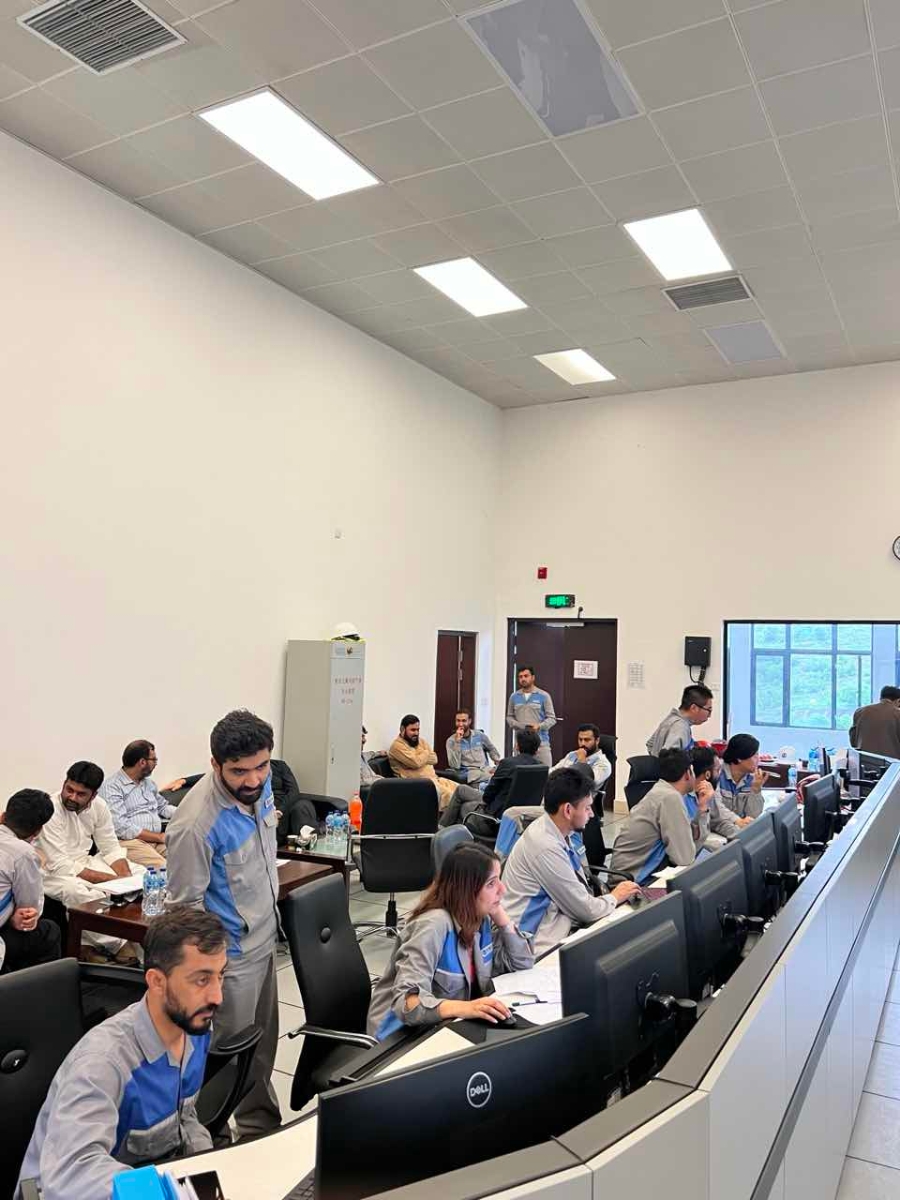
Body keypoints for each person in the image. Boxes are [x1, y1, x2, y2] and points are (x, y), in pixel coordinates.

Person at [17, 907, 225, 1200]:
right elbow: (71, 1175)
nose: (217, 996)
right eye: (201, 980)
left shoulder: (195, 1027)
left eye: (220, 976)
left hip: (149, 1175)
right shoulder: (103, 1065)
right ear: (157, 982)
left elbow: (184, 1117)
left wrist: (209, 1169)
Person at [166, 709, 282, 1139]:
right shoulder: (195, 825)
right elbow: (185, 911)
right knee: (226, 1061)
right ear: (215, 764)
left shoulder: (261, 783)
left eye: (261, 766)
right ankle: (210, 1140)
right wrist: (208, 975)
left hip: (266, 940)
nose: (253, 780)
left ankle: (260, 1130)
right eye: (239, 771)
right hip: (230, 960)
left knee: (261, 1050)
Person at [367, 843, 532, 1039]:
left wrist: (502, 920)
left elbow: (521, 963)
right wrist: (465, 1008)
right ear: (466, 891)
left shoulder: (480, 919)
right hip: (399, 1037)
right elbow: (407, 1003)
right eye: (491, 884)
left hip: (444, 1026)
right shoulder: (433, 926)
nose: (502, 890)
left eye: (499, 880)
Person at [502, 767, 640, 955]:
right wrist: (615, 897)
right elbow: (585, 910)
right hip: (534, 944)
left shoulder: (556, 831)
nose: (592, 814)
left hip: (557, 923)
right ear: (568, 810)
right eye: (587, 808)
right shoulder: (545, 846)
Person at [37, 762, 141, 965]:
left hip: (85, 861)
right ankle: (120, 945)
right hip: (51, 871)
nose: (72, 797)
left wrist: (126, 878)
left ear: (93, 795)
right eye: (69, 790)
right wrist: (111, 881)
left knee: (141, 875)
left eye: (81, 794)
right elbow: (60, 864)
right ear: (64, 783)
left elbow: (110, 847)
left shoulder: (99, 806)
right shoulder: (51, 808)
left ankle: (90, 947)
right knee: (77, 891)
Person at [609, 748, 705, 883]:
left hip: (636, 874)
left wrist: (703, 808)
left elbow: (687, 843)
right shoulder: (670, 797)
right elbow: (685, 859)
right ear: (687, 774)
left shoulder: (663, 791)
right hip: (633, 882)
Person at [0, 788, 59, 974]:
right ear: (38, 831)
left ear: (3, 816)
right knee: (48, 931)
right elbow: (29, 911)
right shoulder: (22, 853)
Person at [100, 739, 177, 869]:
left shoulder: (149, 784)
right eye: (154, 760)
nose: (156, 764)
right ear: (142, 762)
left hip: (156, 842)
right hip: (130, 843)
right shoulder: (112, 787)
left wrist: (187, 812)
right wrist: (158, 837)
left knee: (187, 858)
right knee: (164, 868)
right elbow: (120, 826)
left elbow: (163, 807)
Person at [388, 715, 483, 813]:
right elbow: (416, 763)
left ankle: (486, 806)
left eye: (418, 730)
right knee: (456, 799)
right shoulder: (397, 746)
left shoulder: (420, 741)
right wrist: (426, 752)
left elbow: (434, 759)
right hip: (420, 786)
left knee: (464, 790)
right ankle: (473, 816)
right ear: (402, 729)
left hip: (435, 779)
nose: (416, 733)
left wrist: (420, 756)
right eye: (412, 730)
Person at [480, 728, 543, 819]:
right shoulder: (541, 768)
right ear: (537, 749)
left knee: (465, 800)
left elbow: (488, 795)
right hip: (526, 816)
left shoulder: (507, 763)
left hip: (497, 816)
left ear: (517, 746)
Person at [506, 666, 556, 767]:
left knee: (544, 772)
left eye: (526, 676)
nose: (523, 679)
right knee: (520, 773)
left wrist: (539, 726)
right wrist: (520, 726)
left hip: (541, 744)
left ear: (533, 677)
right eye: (520, 677)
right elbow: (509, 717)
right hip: (521, 745)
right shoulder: (514, 697)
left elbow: (552, 719)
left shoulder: (544, 696)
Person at [645, 685, 714, 756]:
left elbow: (650, 744)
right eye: (709, 710)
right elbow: (670, 758)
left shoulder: (671, 719)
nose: (709, 715)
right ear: (694, 708)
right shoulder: (680, 727)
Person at [689, 745, 739, 840]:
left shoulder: (707, 791)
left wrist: (740, 834)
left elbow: (717, 822)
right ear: (707, 774)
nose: (719, 775)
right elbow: (691, 838)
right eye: (717, 770)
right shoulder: (684, 798)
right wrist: (702, 807)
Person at [717, 734, 769, 823]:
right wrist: (737, 821)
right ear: (740, 758)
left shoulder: (752, 778)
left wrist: (756, 789)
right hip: (718, 827)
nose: (758, 759)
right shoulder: (717, 773)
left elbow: (753, 816)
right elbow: (716, 809)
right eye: (755, 755)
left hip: (739, 827)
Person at [446, 709, 501, 789]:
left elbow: (491, 749)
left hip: (485, 770)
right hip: (470, 774)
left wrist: (497, 762)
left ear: (469, 721)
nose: (460, 724)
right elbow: (454, 765)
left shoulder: (479, 735)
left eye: (464, 721)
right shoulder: (451, 741)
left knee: (503, 776)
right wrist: (457, 743)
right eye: (458, 721)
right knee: (494, 781)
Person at [552, 724, 612, 795]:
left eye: (587, 740)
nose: (582, 743)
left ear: (597, 740)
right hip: (561, 791)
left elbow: (586, 783)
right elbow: (554, 771)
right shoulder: (573, 754)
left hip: (581, 797)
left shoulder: (603, 764)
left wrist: (582, 760)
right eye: (580, 740)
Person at [270, 758, 316, 846]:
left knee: (301, 807)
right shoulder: (251, 771)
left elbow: (293, 790)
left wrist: (281, 810)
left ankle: (305, 845)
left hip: (285, 806)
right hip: (266, 809)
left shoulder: (279, 765)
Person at [850, 686, 900, 758]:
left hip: (864, 760)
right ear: (898, 701)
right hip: (892, 762)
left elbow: (853, 741)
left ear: (881, 698)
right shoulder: (898, 714)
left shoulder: (860, 712)